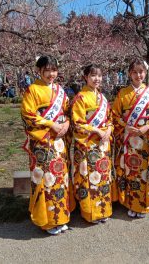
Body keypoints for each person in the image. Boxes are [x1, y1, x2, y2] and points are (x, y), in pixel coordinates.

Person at [21, 55, 75, 235]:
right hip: (43, 142)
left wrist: (66, 124)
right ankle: (47, 221)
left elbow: (67, 112)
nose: (51, 74)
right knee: (46, 180)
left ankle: (61, 217)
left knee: (60, 179)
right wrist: (51, 124)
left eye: (54, 70)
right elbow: (28, 115)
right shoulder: (32, 90)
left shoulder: (60, 91)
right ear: (39, 71)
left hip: (59, 142)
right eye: (47, 70)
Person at [112, 59, 149, 218]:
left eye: (141, 72)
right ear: (129, 73)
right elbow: (114, 115)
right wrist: (125, 126)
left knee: (144, 171)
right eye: (134, 72)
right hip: (128, 139)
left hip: (145, 140)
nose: (138, 75)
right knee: (130, 171)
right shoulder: (122, 93)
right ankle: (130, 202)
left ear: (145, 73)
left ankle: (144, 204)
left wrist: (146, 127)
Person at [71, 64, 117, 224]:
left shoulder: (103, 98)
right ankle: (89, 212)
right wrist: (97, 131)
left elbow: (110, 118)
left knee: (102, 177)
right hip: (87, 145)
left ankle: (103, 210)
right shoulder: (80, 98)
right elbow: (77, 123)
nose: (96, 79)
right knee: (88, 177)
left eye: (99, 75)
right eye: (92, 76)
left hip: (103, 144)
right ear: (85, 77)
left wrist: (109, 129)